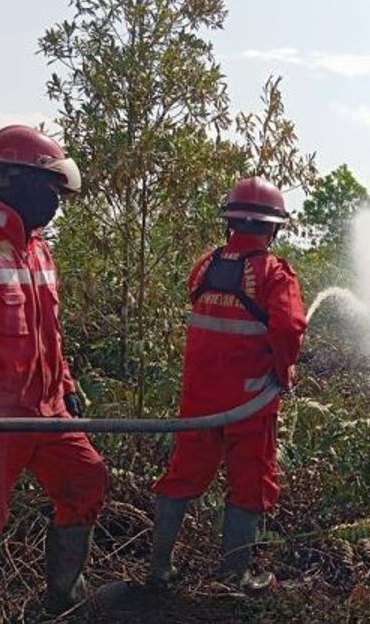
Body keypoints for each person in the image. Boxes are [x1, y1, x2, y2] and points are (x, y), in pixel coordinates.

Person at [0, 125, 108, 622]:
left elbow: (49, 332)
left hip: (47, 413)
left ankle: (62, 599)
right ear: (16, 182)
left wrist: (66, 387)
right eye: (50, 190)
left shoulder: (41, 251)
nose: (55, 201)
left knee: (86, 478)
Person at [147, 177, 307, 593]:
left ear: (230, 222)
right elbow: (289, 328)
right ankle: (235, 575)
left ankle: (159, 568)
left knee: (181, 478)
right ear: (273, 228)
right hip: (250, 403)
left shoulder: (205, 266)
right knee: (250, 483)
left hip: (199, 402)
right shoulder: (274, 274)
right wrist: (284, 370)